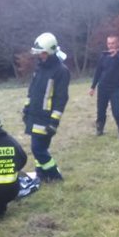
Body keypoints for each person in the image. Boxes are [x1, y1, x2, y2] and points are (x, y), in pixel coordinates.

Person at [23, 32, 70, 182]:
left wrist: (54, 121)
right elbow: (32, 90)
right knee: (39, 148)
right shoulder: (40, 67)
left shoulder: (61, 71)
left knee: (37, 149)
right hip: (34, 114)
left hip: (46, 118)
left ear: (50, 52)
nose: (40, 55)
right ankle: (41, 174)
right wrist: (26, 108)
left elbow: (61, 98)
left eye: (42, 53)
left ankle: (55, 175)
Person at [89, 35, 119, 138]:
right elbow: (98, 72)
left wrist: (116, 56)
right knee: (101, 111)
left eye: (113, 43)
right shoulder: (104, 56)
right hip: (103, 87)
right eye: (109, 43)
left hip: (116, 88)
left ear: (118, 43)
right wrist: (93, 87)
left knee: (116, 111)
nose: (110, 45)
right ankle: (99, 129)